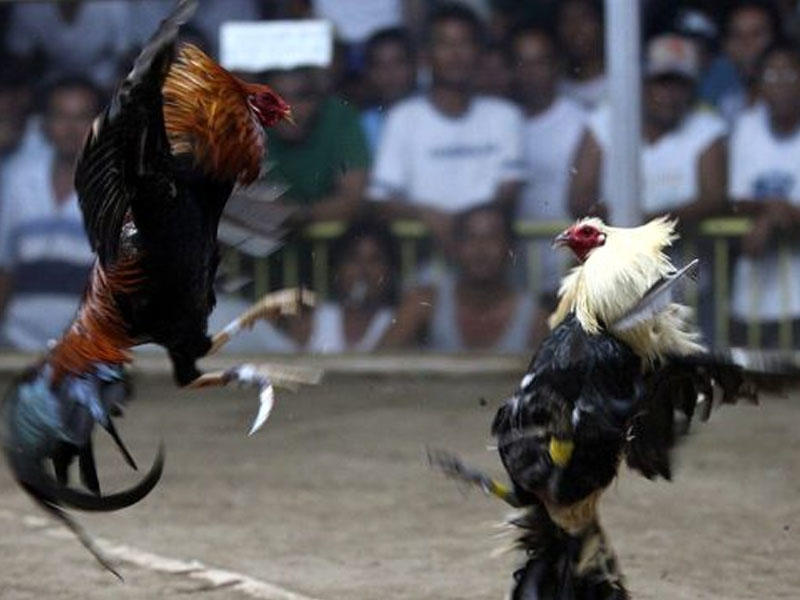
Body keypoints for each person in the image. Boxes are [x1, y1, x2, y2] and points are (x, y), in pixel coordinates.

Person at [369, 3, 524, 253]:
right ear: (426, 55)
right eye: (445, 44)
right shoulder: (402, 118)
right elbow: (381, 201)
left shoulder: (506, 116)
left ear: (479, 52)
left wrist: (466, 230)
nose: (455, 54)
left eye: (464, 43)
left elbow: (508, 193)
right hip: (422, 268)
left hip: (492, 263)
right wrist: (426, 214)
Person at [570, 34, 727, 227]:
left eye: (680, 84)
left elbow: (713, 200)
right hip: (619, 253)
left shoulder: (707, 127)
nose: (670, 95)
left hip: (686, 256)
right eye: (661, 82)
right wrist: (627, 226)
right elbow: (578, 198)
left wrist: (646, 226)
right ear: (642, 84)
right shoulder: (606, 120)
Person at [0, 77, 101, 350]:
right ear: (44, 124)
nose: (70, 129)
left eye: (81, 117)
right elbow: (5, 270)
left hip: (86, 349)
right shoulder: (18, 181)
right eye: (61, 116)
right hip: (16, 342)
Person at [381, 203, 548, 352]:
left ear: (510, 249)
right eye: (471, 237)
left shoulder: (534, 319)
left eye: (492, 237)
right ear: (455, 248)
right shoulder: (425, 303)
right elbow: (377, 365)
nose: (480, 249)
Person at [729, 42, 800, 346]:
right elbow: (734, 199)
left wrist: (769, 217)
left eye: (789, 74)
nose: (781, 84)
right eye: (772, 75)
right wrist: (774, 212)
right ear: (759, 84)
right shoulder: (747, 126)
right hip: (751, 299)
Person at [512, 25, 586, 297]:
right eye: (523, 62)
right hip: (514, 276)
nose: (531, 72)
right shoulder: (504, 122)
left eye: (540, 62)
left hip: (567, 271)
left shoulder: (579, 123)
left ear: (556, 66)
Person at [263, 67, 371, 224]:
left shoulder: (340, 118)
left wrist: (297, 215)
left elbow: (352, 201)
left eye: (299, 97)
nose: (287, 109)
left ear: (317, 101)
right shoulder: (249, 124)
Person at [281, 219, 398, 353]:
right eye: (354, 259)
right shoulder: (316, 318)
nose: (363, 270)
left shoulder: (397, 322)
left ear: (389, 270)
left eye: (375, 260)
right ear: (338, 269)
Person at [4, 1, 131, 90]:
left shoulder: (114, 6)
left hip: (105, 80)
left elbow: (125, 56)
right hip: (50, 82)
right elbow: (19, 58)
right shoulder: (29, 7)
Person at [706, 1, 782, 124]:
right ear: (725, 46)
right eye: (737, 36)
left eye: (757, 34)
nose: (747, 44)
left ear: (775, 39)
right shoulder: (724, 103)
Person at [360, 27, 417, 154]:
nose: (390, 74)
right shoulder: (362, 126)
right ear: (369, 73)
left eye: (398, 63)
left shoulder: (433, 117)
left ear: (414, 66)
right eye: (380, 65)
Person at [556, 0, 606, 109]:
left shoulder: (627, 78)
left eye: (584, 18)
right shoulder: (556, 89)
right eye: (567, 20)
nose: (576, 29)